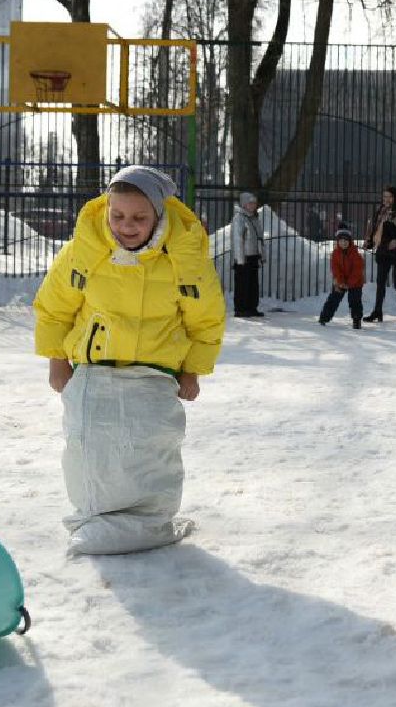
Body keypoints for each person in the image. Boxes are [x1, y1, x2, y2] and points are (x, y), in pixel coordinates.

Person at [33, 165, 226, 555]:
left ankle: (150, 518)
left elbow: (206, 320)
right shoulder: (84, 253)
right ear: (105, 209)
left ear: (159, 213)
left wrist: (192, 371)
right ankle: (95, 517)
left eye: (139, 217)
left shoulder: (185, 260)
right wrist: (57, 359)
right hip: (94, 372)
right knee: (91, 449)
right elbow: (54, 308)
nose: (127, 225)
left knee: (151, 448)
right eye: (117, 215)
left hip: (154, 375)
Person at [363, 186, 396, 322]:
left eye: (389, 196)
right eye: (384, 196)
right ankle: (377, 312)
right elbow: (374, 228)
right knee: (380, 282)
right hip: (383, 250)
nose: (386, 199)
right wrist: (370, 241)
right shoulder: (380, 211)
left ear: (394, 197)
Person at [318, 228, 366, 329]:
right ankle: (324, 317)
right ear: (338, 241)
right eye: (341, 241)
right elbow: (335, 269)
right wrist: (340, 282)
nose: (343, 243)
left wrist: (349, 283)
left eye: (346, 241)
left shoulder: (356, 254)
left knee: (355, 300)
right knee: (333, 298)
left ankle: (356, 320)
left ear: (350, 241)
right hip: (341, 281)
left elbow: (357, 271)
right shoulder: (335, 254)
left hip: (355, 282)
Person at [230, 191, 265, 318]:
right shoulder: (239, 218)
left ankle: (251, 307)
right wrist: (240, 259)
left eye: (255, 203)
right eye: (251, 203)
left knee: (253, 283)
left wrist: (262, 255)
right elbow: (238, 239)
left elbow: (260, 238)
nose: (253, 205)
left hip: (253, 255)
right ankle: (240, 308)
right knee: (242, 283)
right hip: (243, 257)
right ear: (244, 204)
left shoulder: (254, 218)